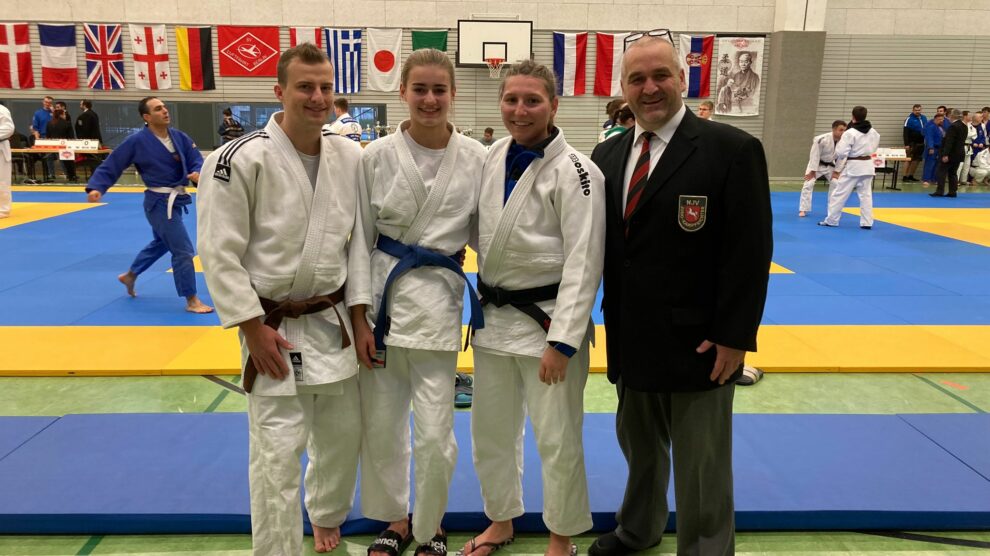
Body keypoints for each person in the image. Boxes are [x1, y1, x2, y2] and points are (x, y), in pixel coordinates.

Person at [589, 36, 772, 556]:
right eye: (636, 79)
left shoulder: (730, 149)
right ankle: (637, 529)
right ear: (622, 88)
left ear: (682, 79)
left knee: (702, 464)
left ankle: (707, 549)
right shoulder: (609, 153)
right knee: (640, 450)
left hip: (702, 342)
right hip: (630, 333)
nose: (649, 88)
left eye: (660, 76)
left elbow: (749, 253)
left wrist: (735, 338)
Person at [196, 42, 371, 555]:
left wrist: (360, 317)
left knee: (341, 443)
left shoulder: (348, 155)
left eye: (325, 88)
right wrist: (250, 327)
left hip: (332, 319)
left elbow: (359, 241)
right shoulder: (237, 158)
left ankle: (325, 514)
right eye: (305, 87)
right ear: (279, 91)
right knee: (276, 453)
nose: (317, 98)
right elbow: (219, 249)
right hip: (272, 324)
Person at [460, 59, 605, 556]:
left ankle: (561, 537)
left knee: (558, 437)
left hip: (548, 327)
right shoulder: (492, 155)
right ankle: (500, 521)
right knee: (490, 433)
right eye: (511, 100)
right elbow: (480, 232)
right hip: (493, 322)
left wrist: (562, 342)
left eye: (532, 100)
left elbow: (586, 263)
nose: (520, 110)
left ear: (554, 105)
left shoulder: (579, 172)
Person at [355, 47, 487, 556]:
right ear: (402, 92)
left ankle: (431, 526)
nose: (430, 99)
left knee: (435, 435)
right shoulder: (373, 158)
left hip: (439, 304)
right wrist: (359, 317)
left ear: (453, 93)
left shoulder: (477, 157)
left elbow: (488, 234)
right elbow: (358, 241)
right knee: (383, 427)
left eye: (439, 89)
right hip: (383, 305)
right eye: (420, 89)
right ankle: (396, 520)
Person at [85, 97, 213, 314]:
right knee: (183, 250)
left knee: (163, 243)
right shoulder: (137, 141)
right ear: (147, 117)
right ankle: (191, 300)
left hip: (176, 200)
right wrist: (97, 186)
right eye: (158, 109)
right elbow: (113, 164)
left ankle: (130, 275)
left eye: (164, 107)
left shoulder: (179, 137)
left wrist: (197, 172)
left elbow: (195, 158)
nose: (164, 111)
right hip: (158, 203)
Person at [819, 106, 881, 229]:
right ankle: (867, 222)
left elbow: (841, 152)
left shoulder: (850, 133)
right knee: (866, 195)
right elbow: (874, 148)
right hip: (868, 165)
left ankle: (832, 220)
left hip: (853, 166)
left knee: (839, 194)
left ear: (853, 116)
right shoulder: (874, 132)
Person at [798, 120, 846, 217]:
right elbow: (814, 155)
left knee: (836, 184)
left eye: (845, 130)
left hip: (830, 165)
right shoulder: (821, 139)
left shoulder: (845, 141)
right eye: (841, 130)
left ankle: (832, 210)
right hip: (816, 165)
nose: (843, 133)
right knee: (808, 184)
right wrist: (813, 171)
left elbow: (843, 156)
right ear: (834, 129)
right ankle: (803, 209)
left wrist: (837, 171)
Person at [933, 108, 966, 198]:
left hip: (950, 154)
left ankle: (940, 191)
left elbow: (949, 142)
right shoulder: (964, 126)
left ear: (952, 116)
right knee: (953, 173)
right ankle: (952, 192)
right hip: (959, 153)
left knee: (941, 172)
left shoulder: (953, 126)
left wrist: (945, 154)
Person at [45, 106, 78, 182]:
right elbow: (71, 137)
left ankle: (51, 174)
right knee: (68, 162)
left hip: (53, 147)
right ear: (62, 114)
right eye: (64, 114)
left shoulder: (49, 124)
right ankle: (71, 176)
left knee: (49, 159)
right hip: (65, 146)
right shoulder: (67, 124)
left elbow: (48, 136)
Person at [30, 96, 55, 182]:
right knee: (48, 157)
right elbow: (35, 128)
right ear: (43, 102)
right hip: (44, 137)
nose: (47, 104)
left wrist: (54, 112)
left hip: (56, 137)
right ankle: (50, 174)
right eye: (46, 102)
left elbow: (62, 122)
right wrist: (38, 140)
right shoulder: (38, 113)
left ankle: (68, 174)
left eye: (49, 102)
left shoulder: (55, 113)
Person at [901, 104, 926, 181]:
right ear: (913, 110)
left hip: (921, 142)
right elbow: (905, 132)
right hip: (912, 143)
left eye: (919, 110)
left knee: (916, 160)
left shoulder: (924, 118)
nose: (917, 112)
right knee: (908, 159)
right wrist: (906, 144)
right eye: (916, 110)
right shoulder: (909, 119)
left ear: (921, 110)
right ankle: (904, 176)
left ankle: (911, 175)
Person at [923, 113, 945, 186]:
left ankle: (934, 179)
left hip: (939, 148)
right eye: (940, 119)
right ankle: (926, 179)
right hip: (933, 148)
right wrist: (930, 147)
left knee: (937, 165)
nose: (941, 121)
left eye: (942, 119)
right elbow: (929, 138)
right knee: (930, 164)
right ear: (935, 119)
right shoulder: (931, 127)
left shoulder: (941, 127)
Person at [0, 102, 13, 219]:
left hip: (0, 149)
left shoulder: (2, 110)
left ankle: (3, 210)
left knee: (2, 180)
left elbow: (9, 128)